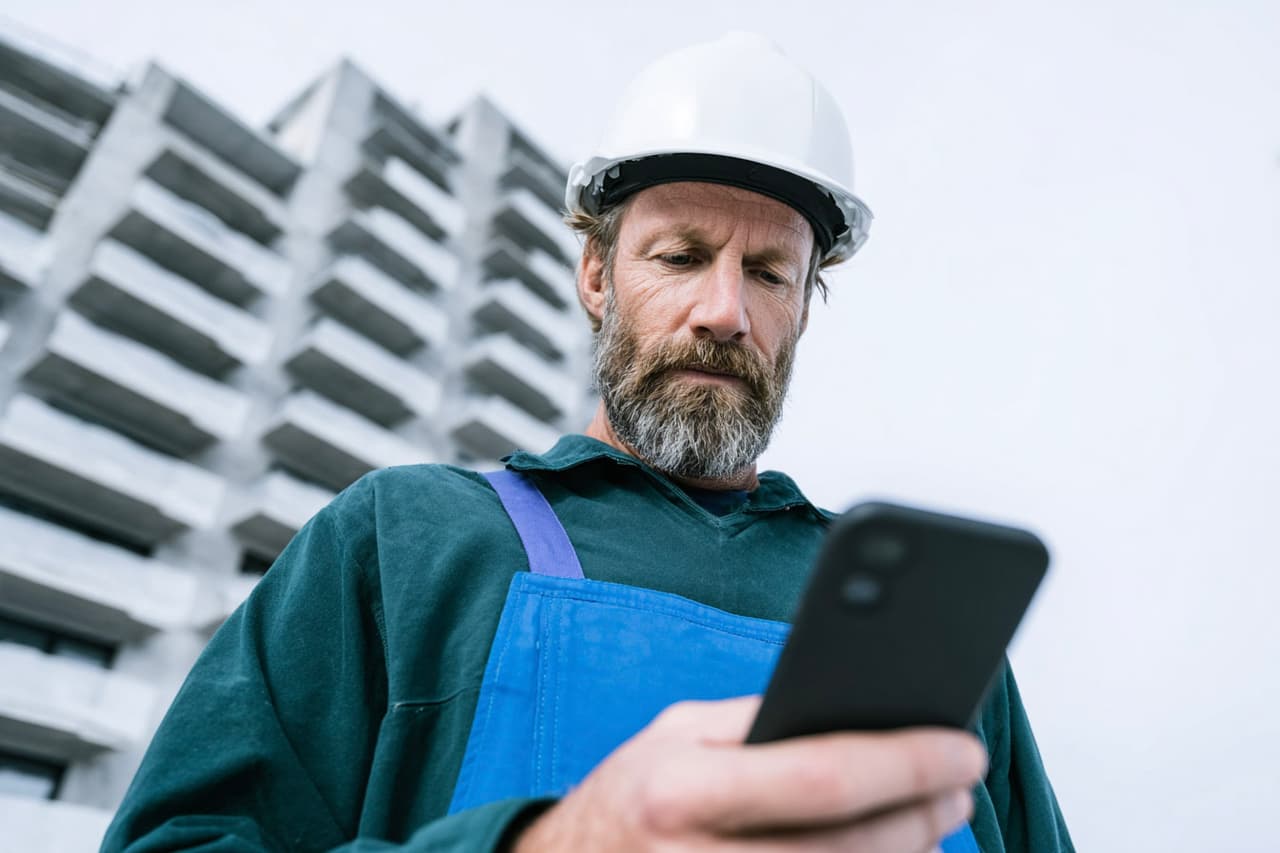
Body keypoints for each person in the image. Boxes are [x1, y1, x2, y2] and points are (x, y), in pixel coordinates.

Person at [102, 32, 1073, 853]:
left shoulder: (920, 628)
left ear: (804, 311)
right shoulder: (404, 541)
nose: (724, 311)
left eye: (770, 272)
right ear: (596, 277)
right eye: (681, 257)